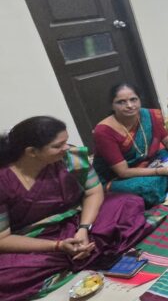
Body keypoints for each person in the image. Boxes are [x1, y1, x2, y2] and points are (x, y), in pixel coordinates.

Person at [0, 116, 153, 301]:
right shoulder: (3, 181)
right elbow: (3, 239)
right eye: (58, 146)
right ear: (31, 151)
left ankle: (80, 250)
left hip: (80, 220)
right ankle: (82, 252)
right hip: (36, 239)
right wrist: (58, 246)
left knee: (128, 202)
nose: (66, 148)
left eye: (66, 141)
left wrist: (84, 229)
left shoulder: (71, 157)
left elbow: (94, 192)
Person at [93, 83, 168, 207]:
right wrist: (166, 171)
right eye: (121, 102)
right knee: (145, 187)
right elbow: (123, 172)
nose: (129, 105)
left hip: (153, 162)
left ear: (139, 100)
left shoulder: (148, 115)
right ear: (112, 105)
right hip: (123, 177)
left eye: (133, 99)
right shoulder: (104, 131)